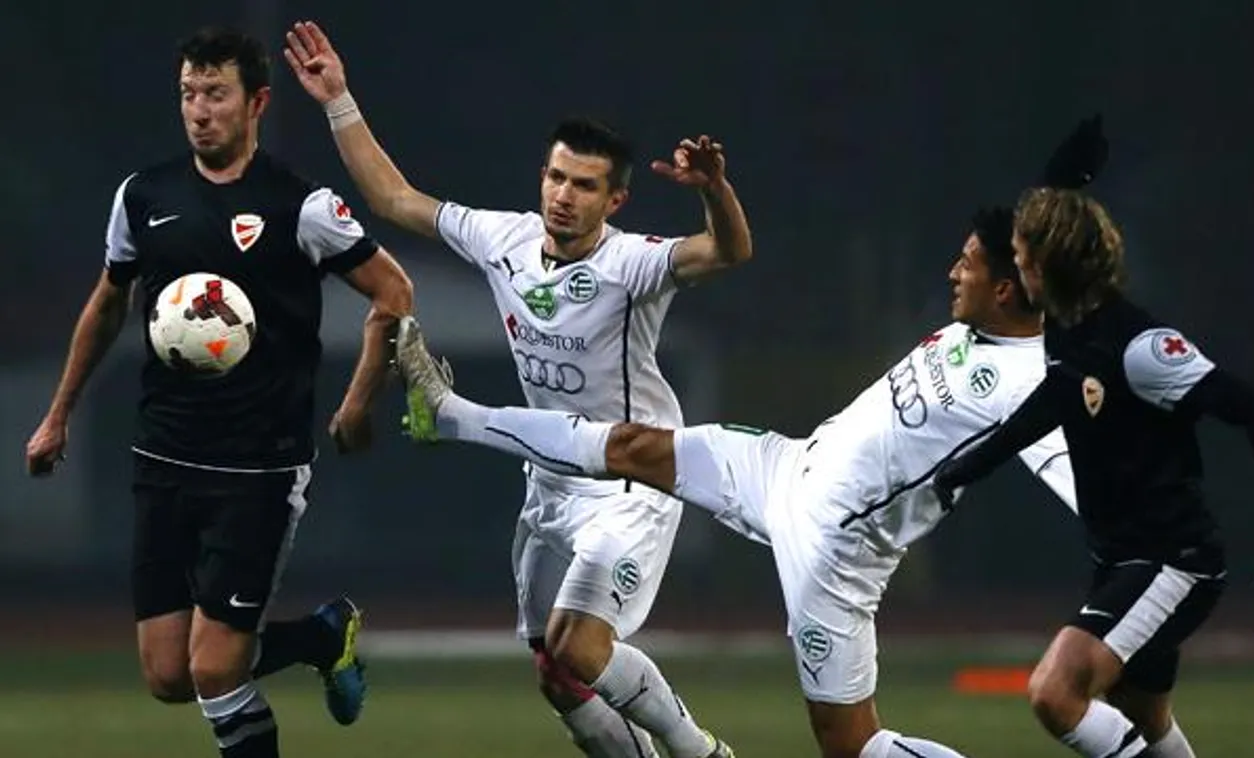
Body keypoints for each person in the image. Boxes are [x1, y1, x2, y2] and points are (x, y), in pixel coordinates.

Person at [386, 110, 1115, 755]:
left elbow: (1095, 489)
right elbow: (1029, 253)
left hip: (833, 546)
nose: (953, 271)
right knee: (632, 445)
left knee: (851, 745)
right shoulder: (982, 321)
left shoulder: (1030, 384)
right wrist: (1062, 184)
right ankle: (453, 415)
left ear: (1007, 287)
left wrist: (1142, 576)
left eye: (968, 264)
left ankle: (452, 415)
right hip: (785, 468)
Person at [283, 19, 752, 758]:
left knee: (580, 648)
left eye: (584, 186)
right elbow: (395, 199)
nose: (564, 196)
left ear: (616, 201)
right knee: (555, 675)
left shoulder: (633, 265)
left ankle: (700, 752)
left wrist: (715, 191)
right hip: (549, 481)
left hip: (630, 483)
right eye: (556, 177)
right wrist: (338, 99)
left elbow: (728, 250)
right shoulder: (503, 238)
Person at [23, 26, 414, 758]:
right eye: (188, 94)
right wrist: (58, 415)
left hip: (257, 469)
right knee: (168, 674)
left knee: (213, 669)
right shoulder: (143, 196)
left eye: (215, 94)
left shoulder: (300, 206)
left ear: (256, 102)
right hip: (162, 456)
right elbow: (108, 303)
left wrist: (358, 401)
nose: (199, 111)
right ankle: (321, 636)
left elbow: (394, 291)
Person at [930, 187, 1254, 758]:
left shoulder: (1140, 348)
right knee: (1142, 715)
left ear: (1046, 266)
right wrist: (966, 467)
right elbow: (1052, 401)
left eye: (1020, 259)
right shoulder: (1066, 327)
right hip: (1123, 560)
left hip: (1172, 562)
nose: (1015, 269)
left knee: (1055, 693)